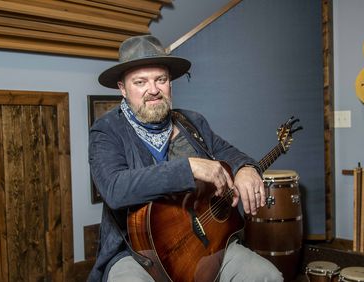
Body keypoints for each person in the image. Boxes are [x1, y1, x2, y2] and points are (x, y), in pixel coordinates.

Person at [88, 35, 283, 282]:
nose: (153, 90)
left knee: (267, 276)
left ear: (170, 83)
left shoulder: (192, 122)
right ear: (123, 89)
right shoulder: (107, 130)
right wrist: (188, 168)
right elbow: (115, 188)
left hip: (203, 243)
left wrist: (245, 168)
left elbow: (229, 153)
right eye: (140, 82)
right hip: (138, 254)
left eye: (161, 79)